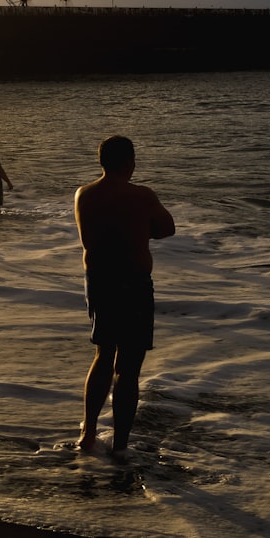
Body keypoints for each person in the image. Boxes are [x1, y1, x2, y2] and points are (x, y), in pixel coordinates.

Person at [74, 135, 174, 454]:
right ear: (129, 163)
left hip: (100, 281)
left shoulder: (84, 195)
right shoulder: (142, 196)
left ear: (102, 162)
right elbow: (167, 228)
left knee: (104, 354)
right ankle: (120, 446)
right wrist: (142, 229)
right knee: (128, 367)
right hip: (132, 283)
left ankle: (88, 434)